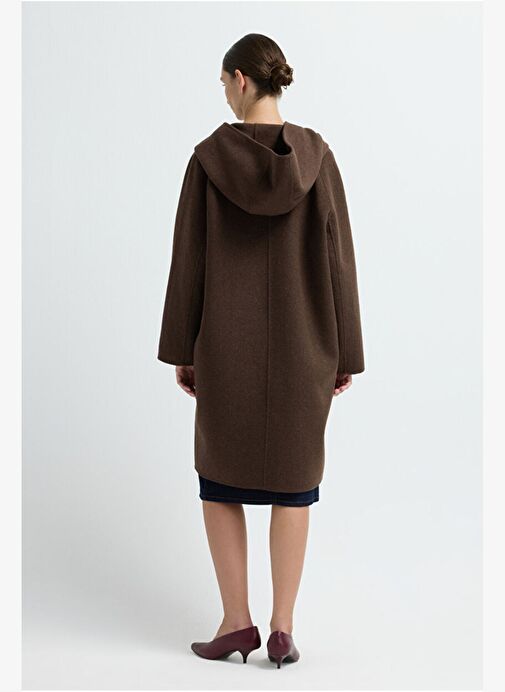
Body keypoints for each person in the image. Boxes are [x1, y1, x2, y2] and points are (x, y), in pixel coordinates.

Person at [157, 33, 365, 668]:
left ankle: (235, 621)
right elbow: (339, 260)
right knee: (294, 487)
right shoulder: (318, 157)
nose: (224, 93)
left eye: (224, 82)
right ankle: (281, 629)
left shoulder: (206, 160)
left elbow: (189, 261)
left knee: (218, 482)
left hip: (226, 349)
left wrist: (182, 348)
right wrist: (346, 353)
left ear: (242, 80)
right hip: (306, 349)